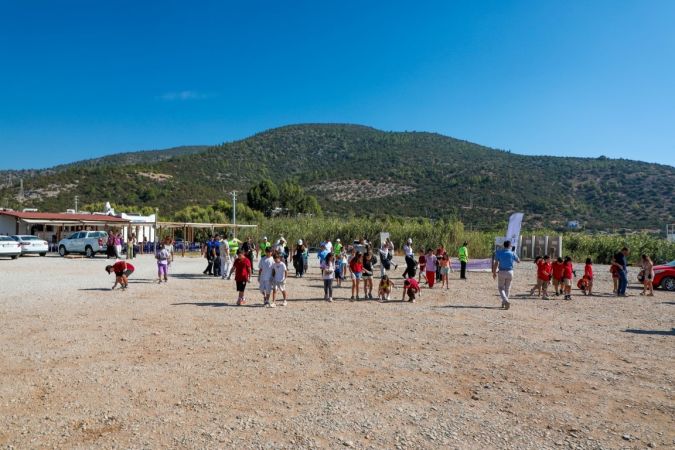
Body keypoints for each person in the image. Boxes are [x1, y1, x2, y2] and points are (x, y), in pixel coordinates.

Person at [492, 240, 520, 309]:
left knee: (501, 288)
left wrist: (494, 272)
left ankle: (505, 300)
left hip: (502, 271)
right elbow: (518, 261)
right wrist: (514, 253)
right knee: (507, 288)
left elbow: (496, 263)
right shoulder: (512, 253)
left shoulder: (499, 252)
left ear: (503, 245)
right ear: (510, 246)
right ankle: (504, 303)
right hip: (510, 272)